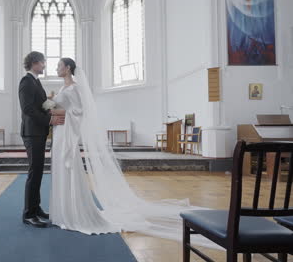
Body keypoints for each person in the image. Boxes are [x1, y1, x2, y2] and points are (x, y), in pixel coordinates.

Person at [48, 58, 216, 248]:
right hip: (60, 132)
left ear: (68, 68)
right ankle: (64, 211)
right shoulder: (62, 88)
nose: (56, 68)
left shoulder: (75, 88)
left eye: (59, 65)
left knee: (69, 168)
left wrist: (59, 112)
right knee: (61, 169)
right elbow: (64, 108)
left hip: (67, 131)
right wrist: (53, 109)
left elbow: (79, 112)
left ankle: (75, 212)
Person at [18, 51, 65, 228]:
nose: (45, 65)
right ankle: (28, 214)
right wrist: (50, 119)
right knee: (34, 172)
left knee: (38, 171)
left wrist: (54, 105)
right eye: (43, 62)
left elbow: (41, 104)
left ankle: (36, 208)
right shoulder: (26, 81)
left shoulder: (36, 82)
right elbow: (28, 109)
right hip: (31, 133)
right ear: (35, 63)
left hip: (38, 132)